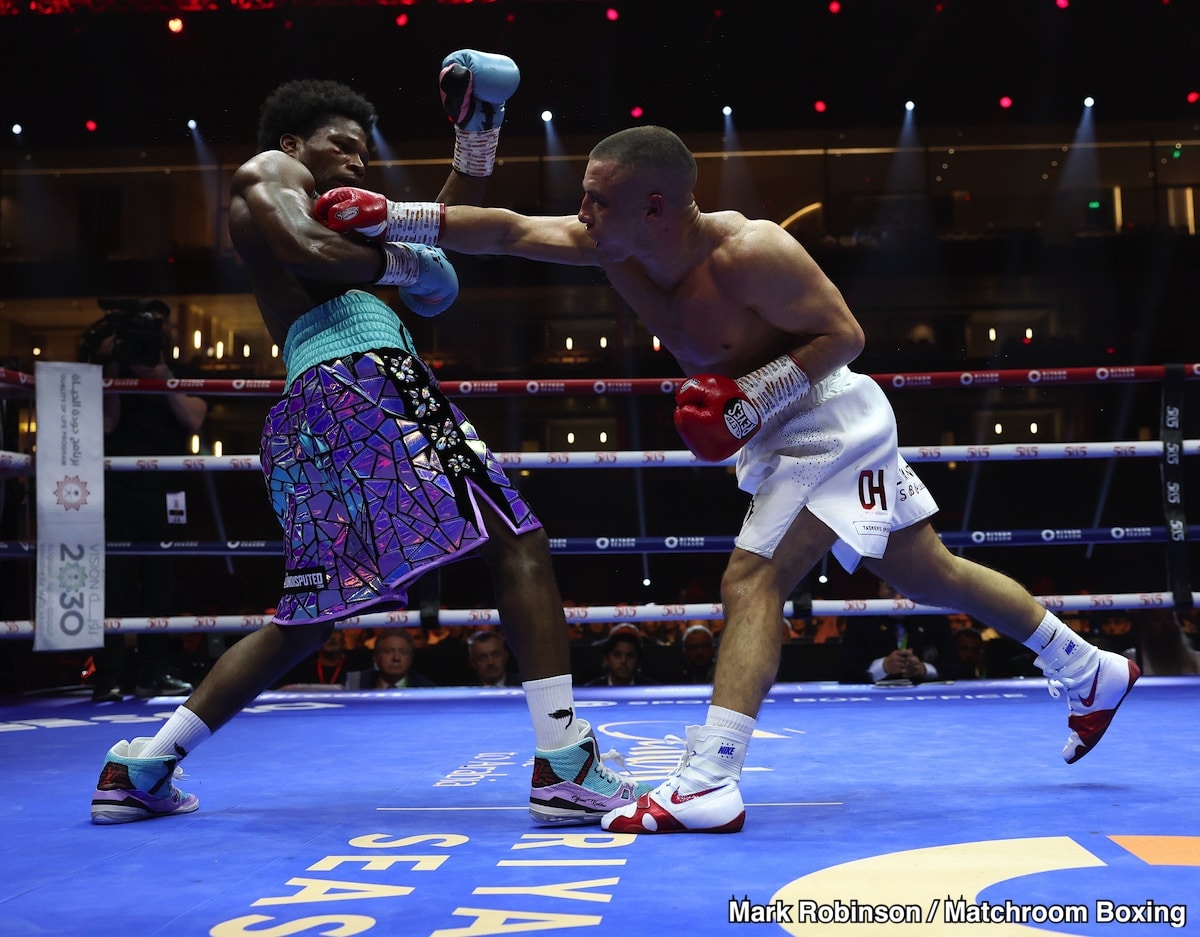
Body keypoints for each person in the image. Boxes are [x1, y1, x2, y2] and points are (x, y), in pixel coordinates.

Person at [317, 124, 1141, 834]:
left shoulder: (753, 251)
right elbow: (503, 230)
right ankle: (1087, 665)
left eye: (598, 198)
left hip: (829, 423)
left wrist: (752, 397)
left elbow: (845, 335)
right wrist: (398, 215)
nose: (581, 212)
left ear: (657, 206)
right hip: (775, 434)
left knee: (753, 579)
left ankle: (710, 780)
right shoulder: (613, 247)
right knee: (928, 571)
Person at [89, 63, 650, 826]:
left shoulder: (341, 223)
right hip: (366, 382)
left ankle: (143, 764)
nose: (357, 160)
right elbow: (308, 250)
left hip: (325, 406)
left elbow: (435, 238)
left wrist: (473, 146)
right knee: (518, 540)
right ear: (295, 142)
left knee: (309, 612)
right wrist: (401, 259)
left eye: (362, 151)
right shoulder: (268, 170)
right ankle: (564, 761)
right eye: (342, 146)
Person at [80, 299, 207, 701]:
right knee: (114, 582)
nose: (159, 333)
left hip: (165, 492)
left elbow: (194, 419)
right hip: (117, 486)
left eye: (162, 327)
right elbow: (106, 423)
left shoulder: (181, 373)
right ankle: (110, 674)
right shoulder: (111, 372)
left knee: (160, 582)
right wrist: (115, 373)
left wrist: (161, 376)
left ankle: (155, 669)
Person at [345, 629, 436, 688]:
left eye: (403, 652)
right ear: (376, 656)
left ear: (411, 658)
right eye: (388, 651)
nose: (396, 658)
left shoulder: (426, 688)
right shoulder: (356, 684)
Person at [585, 628, 656, 686]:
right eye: (617, 655)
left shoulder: (654, 691)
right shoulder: (589, 691)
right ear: (606, 659)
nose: (623, 661)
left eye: (630, 656)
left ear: (638, 660)